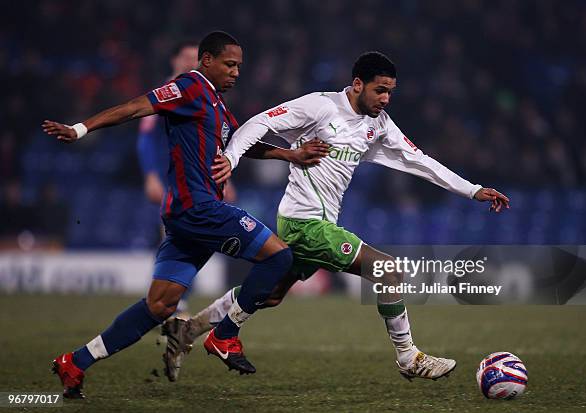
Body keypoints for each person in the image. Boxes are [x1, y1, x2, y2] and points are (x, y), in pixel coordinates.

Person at [161, 51, 510, 382]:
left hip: (316, 223)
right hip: (304, 222)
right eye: (380, 90)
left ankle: (187, 328)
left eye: (390, 92)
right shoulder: (320, 106)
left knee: (269, 295)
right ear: (358, 84)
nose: (386, 99)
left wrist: (472, 189)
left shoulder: (378, 124)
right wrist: (232, 159)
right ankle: (408, 357)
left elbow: (418, 160)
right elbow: (258, 122)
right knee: (388, 270)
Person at [42, 31, 327, 398]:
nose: (237, 72)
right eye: (229, 64)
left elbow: (240, 142)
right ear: (206, 61)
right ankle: (225, 335)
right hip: (199, 208)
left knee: (160, 305)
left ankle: (75, 363)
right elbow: (135, 107)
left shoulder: (217, 104)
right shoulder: (189, 87)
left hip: (187, 218)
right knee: (280, 257)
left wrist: (290, 155)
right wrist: (80, 128)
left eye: (239, 65)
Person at [137, 41, 199, 316]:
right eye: (185, 57)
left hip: (194, 179)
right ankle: (168, 301)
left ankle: (171, 299)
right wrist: (151, 175)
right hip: (168, 178)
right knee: (173, 235)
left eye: (195, 59)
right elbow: (145, 139)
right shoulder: (162, 95)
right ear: (174, 60)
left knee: (192, 236)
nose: (190, 63)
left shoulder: (201, 95)